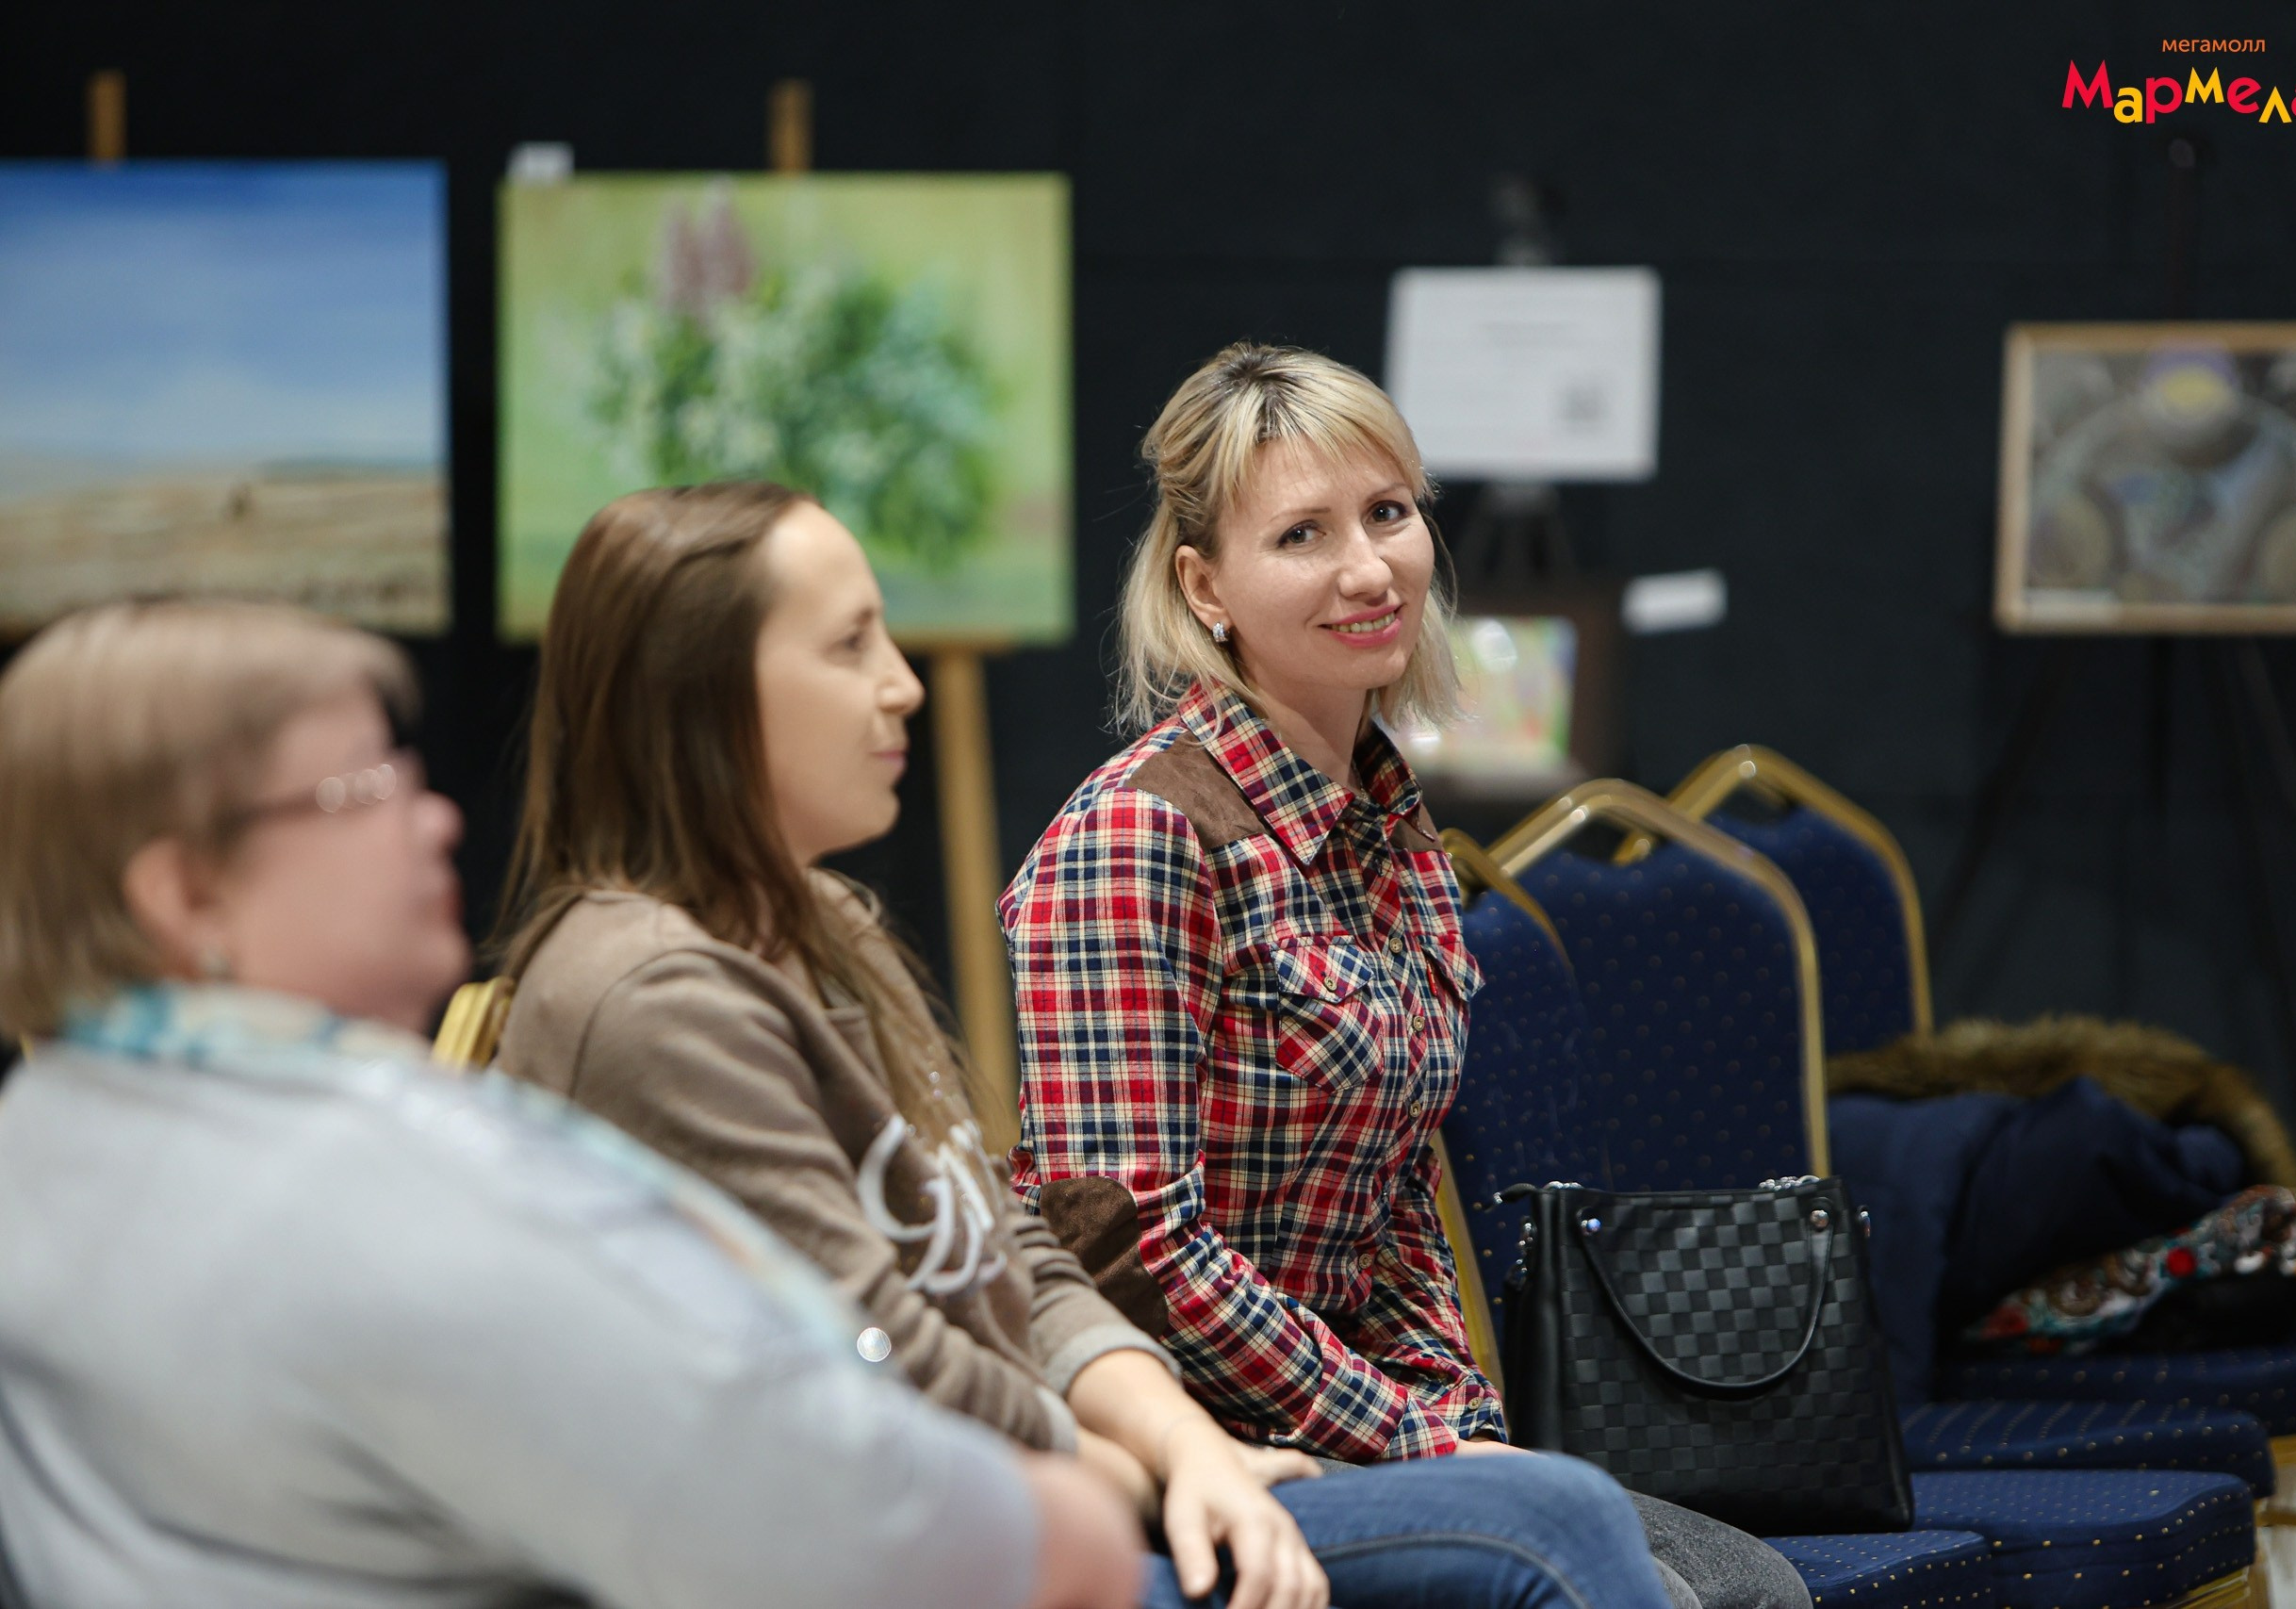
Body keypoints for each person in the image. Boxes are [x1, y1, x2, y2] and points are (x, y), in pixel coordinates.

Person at [491, 481, 1672, 1609]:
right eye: (849, 647)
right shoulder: (647, 992)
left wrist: (1191, 1444)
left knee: (1668, 1554)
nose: (902, 686)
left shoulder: (824, 924)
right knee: (1558, 1529)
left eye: (1388, 514)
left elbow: (1009, 1247)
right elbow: (878, 1342)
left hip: (1058, 1471)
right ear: (701, 695)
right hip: (883, 1537)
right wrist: (1157, 1469)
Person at [0, 600, 1143, 1609]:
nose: (436, 815)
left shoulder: (48, 1127)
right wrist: (1100, 1496)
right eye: (365, 787)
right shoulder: (399, 1197)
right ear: (185, 892)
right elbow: (900, 1543)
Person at [1002, 344, 1810, 1609]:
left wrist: (1452, 1408)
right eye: (1303, 535)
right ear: (1204, 583)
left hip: (1354, 1426)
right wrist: (1418, 1435)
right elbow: (1133, 1249)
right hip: (1180, 1445)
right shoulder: (1137, 838)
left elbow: (1391, 1208)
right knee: (1606, 1557)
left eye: (1389, 513)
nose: (1370, 568)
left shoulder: (1389, 825)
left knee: (1752, 1584)